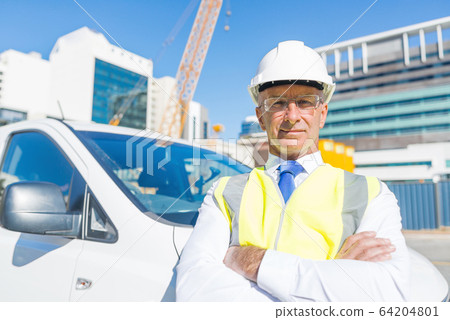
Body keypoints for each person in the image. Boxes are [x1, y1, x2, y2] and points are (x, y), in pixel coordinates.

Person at [176, 40, 410, 302]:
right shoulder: (225, 192)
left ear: (322, 113)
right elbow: (194, 292)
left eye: (305, 101)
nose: (291, 116)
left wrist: (247, 259)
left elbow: (387, 294)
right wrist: (332, 278)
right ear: (260, 117)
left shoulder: (370, 194)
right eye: (277, 103)